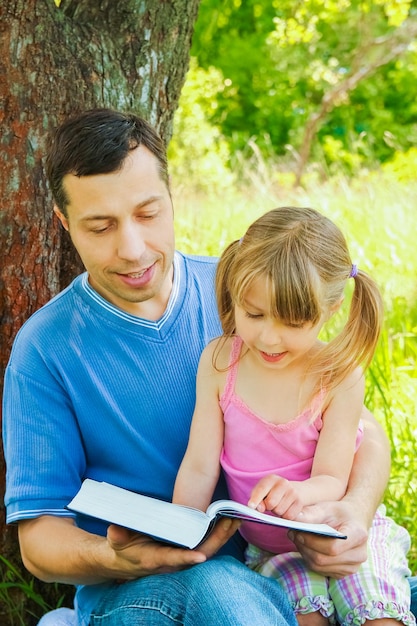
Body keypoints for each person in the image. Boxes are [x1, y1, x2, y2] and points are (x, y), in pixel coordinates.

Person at [0, 108, 411, 625]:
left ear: (172, 198)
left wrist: (355, 513)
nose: (132, 249)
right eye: (100, 227)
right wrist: (115, 558)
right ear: (64, 223)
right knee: (223, 591)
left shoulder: (248, 297)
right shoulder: (46, 348)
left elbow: (360, 432)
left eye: (148, 214)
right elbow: (38, 543)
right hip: (148, 586)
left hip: (281, 557)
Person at [174, 207, 415, 626]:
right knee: (304, 619)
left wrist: (296, 494)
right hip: (271, 549)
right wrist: (178, 532)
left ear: (331, 309)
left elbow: (333, 479)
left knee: (377, 615)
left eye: (293, 322)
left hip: (338, 533)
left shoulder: (338, 376)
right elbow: (199, 465)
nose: (269, 337)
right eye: (254, 314)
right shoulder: (218, 362)